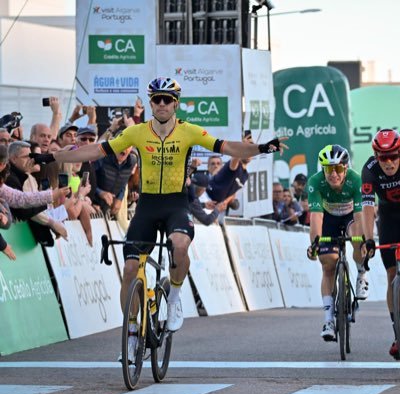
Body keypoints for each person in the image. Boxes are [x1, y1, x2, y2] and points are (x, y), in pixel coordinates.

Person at [30, 77, 288, 362]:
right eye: (157, 99)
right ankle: (130, 335)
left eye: (167, 99)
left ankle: (175, 299)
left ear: (175, 103)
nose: (162, 104)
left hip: (176, 204)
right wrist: (52, 156)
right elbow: (95, 151)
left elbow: (228, 148)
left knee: (180, 245)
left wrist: (263, 148)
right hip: (148, 206)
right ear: (151, 103)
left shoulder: (189, 131)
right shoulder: (138, 132)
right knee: (129, 270)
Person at [306, 144, 368, 342]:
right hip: (329, 219)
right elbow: (316, 217)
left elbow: (360, 216)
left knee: (358, 238)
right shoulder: (315, 182)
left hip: (350, 216)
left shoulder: (356, 180)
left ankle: (361, 273)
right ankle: (328, 320)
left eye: (338, 169)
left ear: (346, 168)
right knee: (328, 264)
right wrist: (315, 243)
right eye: (328, 169)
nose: (333, 174)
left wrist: (364, 240)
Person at [360, 128, 400, 359]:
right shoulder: (370, 170)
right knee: (392, 275)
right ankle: (398, 333)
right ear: (376, 157)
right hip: (387, 216)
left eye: (394, 156)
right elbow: (367, 208)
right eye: (383, 157)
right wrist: (368, 239)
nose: (389, 162)